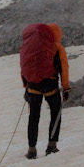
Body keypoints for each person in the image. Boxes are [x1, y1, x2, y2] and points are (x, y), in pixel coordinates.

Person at [19, 22, 69, 159]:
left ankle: (31, 149)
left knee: (33, 117)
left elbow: (24, 68)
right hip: (50, 85)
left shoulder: (29, 47)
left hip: (32, 86)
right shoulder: (57, 47)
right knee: (55, 113)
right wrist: (66, 88)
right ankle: (51, 146)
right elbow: (64, 68)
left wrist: (26, 87)